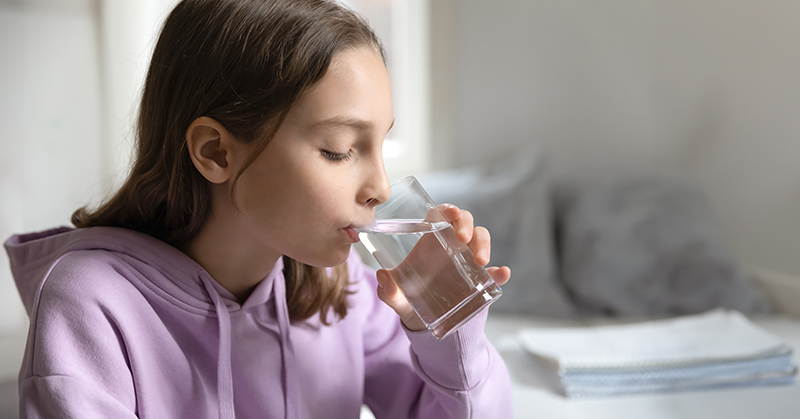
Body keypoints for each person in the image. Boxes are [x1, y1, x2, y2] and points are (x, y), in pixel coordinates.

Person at [4, 0, 513, 417]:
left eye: (381, 144)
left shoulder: (346, 292)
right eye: (339, 148)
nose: (380, 187)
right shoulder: (91, 305)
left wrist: (448, 328)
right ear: (216, 153)